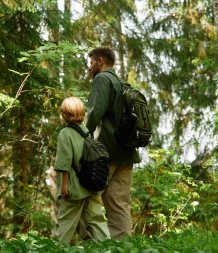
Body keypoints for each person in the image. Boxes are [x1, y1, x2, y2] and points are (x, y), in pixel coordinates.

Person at [86, 46, 141, 240]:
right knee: (119, 203)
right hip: (126, 153)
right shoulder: (120, 82)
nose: (89, 66)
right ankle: (123, 245)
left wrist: (80, 135)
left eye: (91, 62)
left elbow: (94, 112)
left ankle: (91, 242)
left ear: (101, 61)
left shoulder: (102, 79)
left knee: (87, 195)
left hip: (105, 153)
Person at [54, 96, 110, 244]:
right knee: (96, 218)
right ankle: (108, 247)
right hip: (90, 184)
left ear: (64, 115)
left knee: (66, 221)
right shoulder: (87, 132)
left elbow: (64, 162)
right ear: (82, 114)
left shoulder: (65, 134)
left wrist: (64, 186)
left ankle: (59, 248)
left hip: (73, 187)